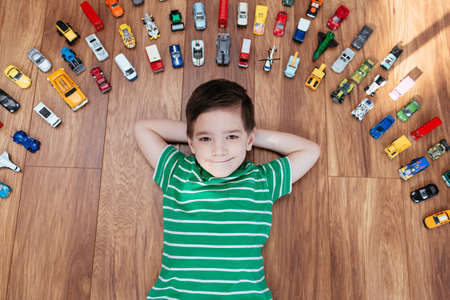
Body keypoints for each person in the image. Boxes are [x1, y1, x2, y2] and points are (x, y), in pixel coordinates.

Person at [135, 79, 320, 299]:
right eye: (205, 138)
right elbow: (143, 129)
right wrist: (205, 133)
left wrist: (248, 135)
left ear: (249, 139)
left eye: (231, 136)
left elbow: (310, 151)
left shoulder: (261, 181)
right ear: (191, 144)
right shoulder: (178, 172)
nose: (219, 151)